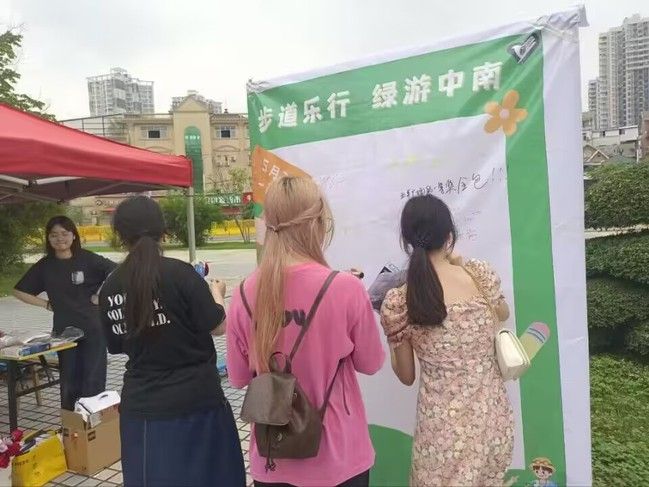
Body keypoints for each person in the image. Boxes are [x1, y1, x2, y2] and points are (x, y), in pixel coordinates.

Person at [226, 176, 385, 487]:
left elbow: (239, 377)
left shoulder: (244, 293)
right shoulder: (346, 288)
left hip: (272, 454)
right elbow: (370, 363)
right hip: (339, 455)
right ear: (317, 223)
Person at [98, 196, 245, 487]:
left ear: (119, 235)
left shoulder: (110, 287)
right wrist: (217, 294)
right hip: (197, 402)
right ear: (162, 231)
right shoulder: (181, 274)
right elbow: (218, 325)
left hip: (142, 410)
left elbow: (115, 345)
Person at [380, 194, 514, 487]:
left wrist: (394, 336)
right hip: (492, 419)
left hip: (440, 432)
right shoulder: (479, 274)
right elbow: (503, 313)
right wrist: (461, 264)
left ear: (407, 240)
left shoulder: (399, 301)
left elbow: (406, 375)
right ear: (449, 235)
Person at [13, 216, 116, 410]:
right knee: (69, 379)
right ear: (48, 238)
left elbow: (117, 272)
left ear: (73, 235)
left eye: (64, 233)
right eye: (54, 235)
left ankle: (93, 419)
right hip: (64, 332)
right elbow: (19, 291)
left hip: (93, 328)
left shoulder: (88, 259)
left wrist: (100, 295)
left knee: (93, 378)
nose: (60, 238)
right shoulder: (45, 265)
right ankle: (71, 421)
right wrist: (46, 304)